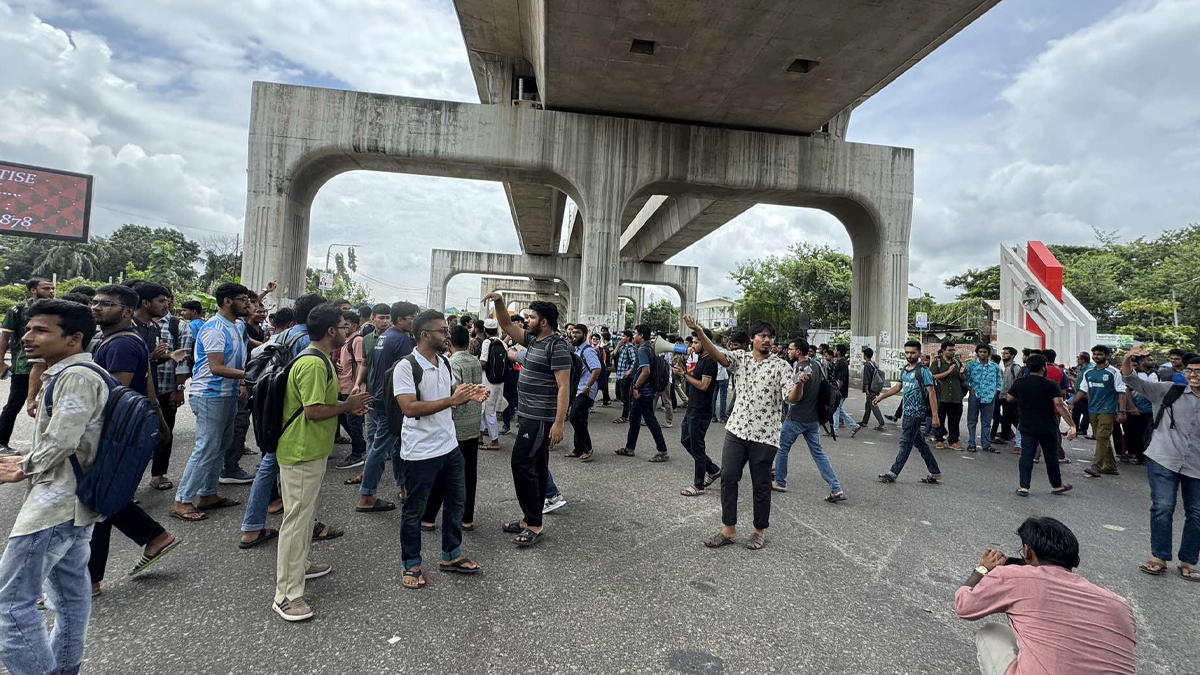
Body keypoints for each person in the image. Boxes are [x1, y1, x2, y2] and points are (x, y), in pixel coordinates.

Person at [0, 300, 107, 675]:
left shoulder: (77, 377)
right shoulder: (70, 373)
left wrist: (22, 467)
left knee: (10, 603)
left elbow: (63, 440)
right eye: (29, 328)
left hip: (55, 505)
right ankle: (64, 668)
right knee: (69, 597)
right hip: (74, 503)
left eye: (41, 330)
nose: (27, 337)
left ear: (73, 338)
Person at [272, 306, 369, 621]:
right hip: (301, 450)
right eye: (343, 326)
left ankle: (299, 567)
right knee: (296, 522)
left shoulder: (318, 358)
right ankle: (286, 595)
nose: (347, 330)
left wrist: (344, 405)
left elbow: (319, 404)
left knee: (304, 516)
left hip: (310, 450)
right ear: (331, 331)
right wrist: (347, 406)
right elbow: (313, 410)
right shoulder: (314, 363)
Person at [954, 517, 1136, 675]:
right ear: (1076, 560)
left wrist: (982, 569)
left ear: (1027, 551)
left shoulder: (1015, 576)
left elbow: (964, 606)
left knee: (991, 632)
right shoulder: (1119, 604)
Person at [685, 316, 800, 551]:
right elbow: (717, 355)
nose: (767, 340)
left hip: (765, 436)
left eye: (770, 337)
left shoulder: (782, 366)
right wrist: (698, 330)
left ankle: (758, 531)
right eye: (762, 336)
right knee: (728, 478)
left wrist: (800, 384)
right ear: (752, 339)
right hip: (736, 430)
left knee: (761, 484)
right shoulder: (741, 358)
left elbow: (791, 398)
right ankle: (728, 529)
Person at [398, 317, 487, 589]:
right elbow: (409, 408)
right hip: (420, 450)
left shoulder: (445, 362)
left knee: (457, 501)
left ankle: (451, 554)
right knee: (415, 509)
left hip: (449, 445)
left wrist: (465, 392)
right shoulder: (407, 366)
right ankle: (411, 563)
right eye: (442, 330)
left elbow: (445, 391)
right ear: (425, 334)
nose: (447, 334)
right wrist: (451, 400)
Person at [481, 294, 571, 548]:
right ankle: (530, 519)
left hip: (540, 419)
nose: (526, 320)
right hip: (528, 416)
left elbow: (563, 387)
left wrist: (559, 423)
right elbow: (506, 325)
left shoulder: (557, 346)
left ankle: (533, 524)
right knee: (537, 467)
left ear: (543, 322)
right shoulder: (533, 340)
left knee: (521, 463)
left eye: (531, 317)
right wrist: (499, 302)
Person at [173, 282, 254, 521]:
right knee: (207, 447)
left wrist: (241, 383)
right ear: (228, 302)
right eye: (243, 300)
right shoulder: (214, 329)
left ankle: (208, 494)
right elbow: (216, 367)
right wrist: (250, 376)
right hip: (209, 395)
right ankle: (182, 500)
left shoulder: (237, 325)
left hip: (227, 394)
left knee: (221, 445)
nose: (248, 304)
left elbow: (237, 359)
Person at [1123, 349, 1200, 581]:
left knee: (1196, 513)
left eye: (1198, 372)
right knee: (1163, 507)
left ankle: (1188, 560)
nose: (1193, 375)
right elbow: (1131, 380)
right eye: (1190, 371)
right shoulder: (1169, 390)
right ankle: (1159, 557)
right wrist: (1127, 358)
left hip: (1196, 465)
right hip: (1163, 457)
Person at [355, 300, 418, 513]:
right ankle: (367, 495)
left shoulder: (384, 337)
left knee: (396, 445)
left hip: (379, 397)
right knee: (380, 448)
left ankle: (403, 486)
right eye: (411, 318)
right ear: (400, 320)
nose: (414, 322)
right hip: (391, 402)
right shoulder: (402, 340)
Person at [422, 325, 484, 532]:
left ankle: (429, 517)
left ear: (449, 343)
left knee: (443, 472)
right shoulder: (475, 361)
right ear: (468, 342)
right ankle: (467, 518)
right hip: (473, 423)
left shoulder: (450, 363)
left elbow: (452, 395)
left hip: (455, 425)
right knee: (470, 472)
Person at [774, 339, 846, 502]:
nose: (788, 351)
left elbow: (792, 392)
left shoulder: (800, 368)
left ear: (798, 351)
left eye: (791, 349)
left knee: (782, 448)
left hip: (797, 417)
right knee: (818, 453)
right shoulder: (817, 365)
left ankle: (780, 481)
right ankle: (835, 487)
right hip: (813, 418)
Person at [1006, 354, 1076, 496]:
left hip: (1026, 424)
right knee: (1051, 456)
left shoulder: (1020, 383)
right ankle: (1057, 485)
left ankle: (1024, 487)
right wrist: (1072, 425)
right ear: (1044, 368)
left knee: (1026, 455)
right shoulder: (1051, 384)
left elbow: (1009, 398)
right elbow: (1059, 404)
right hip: (1047, 425)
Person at [0, 277, 55, 454]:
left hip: (50, 364)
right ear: (33, 290)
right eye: (46, 288)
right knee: (14, 404)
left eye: (52, 289)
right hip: (24, 365)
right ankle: (1, 442)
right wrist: (1, 362)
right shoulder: (18, 310)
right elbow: (5, 337)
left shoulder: (56, 309)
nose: (51, 292)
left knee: (52, 404)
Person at [875, 340, 942, 484]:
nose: (910, 355)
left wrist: (935, 416)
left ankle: (893, 473)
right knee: (920, 444)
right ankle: (935, 472)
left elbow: (932, 393)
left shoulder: (924, 371)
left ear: (919, 353)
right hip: (907, 412)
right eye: (907, 352)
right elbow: (897, 387)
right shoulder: (905, 369)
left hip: (916, 413)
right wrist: (881, 397)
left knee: (905, 444)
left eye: (913, 352)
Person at [148, 292, 192, 491]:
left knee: (165, 432)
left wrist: (179, 389)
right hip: (141, 389)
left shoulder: (178, 326)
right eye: (161, 300)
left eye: (167, 300)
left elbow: (183, 361)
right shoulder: (137, 324)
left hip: (166, 389)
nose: (165, 304)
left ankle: (158, 474)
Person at [339, 303, 390, 470]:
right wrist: (357, 384)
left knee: (389, 439)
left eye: (387, 318)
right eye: (381, 317)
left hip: (389, 395)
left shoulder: (394, 339)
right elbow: (364, 364)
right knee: (371, 434)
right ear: (373, 318)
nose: (385, 321)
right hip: (370, 392)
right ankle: (369, 470)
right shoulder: (367, 340)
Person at [615, 325, 671, 461]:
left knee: (650, 420)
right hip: (646, 390)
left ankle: (662, 451)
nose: (634, 336)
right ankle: (629, 448)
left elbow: (646, 371)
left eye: (635, 333)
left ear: (641, 335)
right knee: (634, 419)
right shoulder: (649, 348)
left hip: (643, 392)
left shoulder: (642, 350)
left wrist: (636, 387)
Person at [676, 327, 721, 497]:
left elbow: (703, 385)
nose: (692, 345)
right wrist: (684, 372)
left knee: (697, 446)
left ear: (705, 342)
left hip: (701, 410)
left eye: (696, 342)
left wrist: (684, 374)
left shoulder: (710, 361)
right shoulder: (701, 358)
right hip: (692, 408)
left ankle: (698, 485)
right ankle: (713, 469)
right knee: (685, 440)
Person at [1075, 345, 1127, 479]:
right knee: (1101, 437)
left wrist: (1122, 411)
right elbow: (1083, 390)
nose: (1096, 356)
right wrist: (1071, 404)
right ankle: (1111, 466)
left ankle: (1096, 467)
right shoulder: (1088, 373)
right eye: (1095, 354)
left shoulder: (1114, 372)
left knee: (1102, 436)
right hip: (1093, 409)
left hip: (1108, 410)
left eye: (1099, 354)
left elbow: (1122, 392)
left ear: (1106, 356)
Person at [334, 310, 367, 467]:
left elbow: (361, 364)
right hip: (344, 386)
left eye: (345, 325)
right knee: (344, 418)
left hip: (352, 389)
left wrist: (357, 386)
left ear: (354, 326)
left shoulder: (357, 340)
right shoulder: (346, 342)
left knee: (354, 422)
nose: (343, 328)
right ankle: (360, 444)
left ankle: (357, 454)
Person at [566, 326, 602, 461]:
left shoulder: (588, 351)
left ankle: (587, 448)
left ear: (585, 335)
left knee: (574, 416)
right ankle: (578, 449)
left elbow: (596, 369)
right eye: (572, 332)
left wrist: (588, 386)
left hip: (585, 390)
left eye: (577, 333)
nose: (573, 335)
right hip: (578, 389)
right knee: (580, 419)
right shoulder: (577, 350)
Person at [1121, 353, 1158, 465]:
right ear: (1141, 361)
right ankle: (1137, 455)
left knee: (1149, 434)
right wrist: (1132, 407)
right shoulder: (1133, 373)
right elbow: (1127, 390)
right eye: (1149, 360)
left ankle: (1146, 457)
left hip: (1151, 410)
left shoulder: (1155, 373)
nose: (1151, 361)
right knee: (1136, 434)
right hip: (1136, 409)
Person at [964, 344, 1001, 453]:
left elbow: (999, 380)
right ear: (977, 353)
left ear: (988, 353)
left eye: (985, 352)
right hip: (975, 396)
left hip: (989, 397)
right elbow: (965, 379)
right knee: (972, 421)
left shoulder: (994, 367)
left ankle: (986, 444)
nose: (982, 354)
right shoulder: (971, 365)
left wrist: (996, 392)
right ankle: (971, 443)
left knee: (986, 422)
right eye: (980, 352)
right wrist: (970, 391)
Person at [477, 318, 506, 450]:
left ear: (485, 330)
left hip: (488, 381)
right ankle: (480, 435)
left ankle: (494, 441)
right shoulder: (502, 343)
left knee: (489, 411)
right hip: (499, 382)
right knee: (486, 409)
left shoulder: (487, 342)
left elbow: (483, 362)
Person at [932, 342, 965, 450]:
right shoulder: (937, 363)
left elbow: (963, 379)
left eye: (953, 350)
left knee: (955, 421)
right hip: (942, 396)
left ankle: (953, 441)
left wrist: (961, 373)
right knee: (940, 419)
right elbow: (933, 377)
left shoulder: (957, 363)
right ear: (943, 350)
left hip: (956, 396)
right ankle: (939, 440)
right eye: (949, 350)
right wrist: (948, 372)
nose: (952, 352)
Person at [829, 344, 861, 437]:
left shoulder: (842, 363)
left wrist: (836, 390)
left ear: (839, 352)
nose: (834, 351)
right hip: (839, 390)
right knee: (838, 409)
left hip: (840, 391)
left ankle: (835, 431)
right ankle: (854, 425)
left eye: (835, 349)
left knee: (836, 409)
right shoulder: (840, 362)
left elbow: (841, 379)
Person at [991, 346, 1021, 445]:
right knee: (1008, 417)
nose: (1003, 355)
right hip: (1003, 396)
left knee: (1011, 417)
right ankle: (1007, 434)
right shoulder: (1006, 367)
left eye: (1006, 353)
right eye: (1003, 353)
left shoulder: (1015, 367)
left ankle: (1005, 436)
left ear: (1012, 355)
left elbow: (1018, 382)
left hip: (1011, 398)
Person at [612, 330, 637, 424]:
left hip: (626, 376)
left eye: (623, 336)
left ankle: (625, 416)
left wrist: (630, 371)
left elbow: (635, 360)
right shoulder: (622, 347)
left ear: (628, 338)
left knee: (625, 397)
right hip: (620, 376)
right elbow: (613, 355)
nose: (621, 338)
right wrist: (618, 346)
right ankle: (630, 414)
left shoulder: (630, 348)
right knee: (624, 397)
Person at [859, 347, 886, 430]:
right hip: (875, 387)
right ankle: (864, 422)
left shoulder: (867, 365)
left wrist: (866, 389)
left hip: (870, 388)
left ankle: (881, 423)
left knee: (873, 405)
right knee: (868, 405)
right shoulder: (873, 363)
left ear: (865, 355)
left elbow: (867, 378)